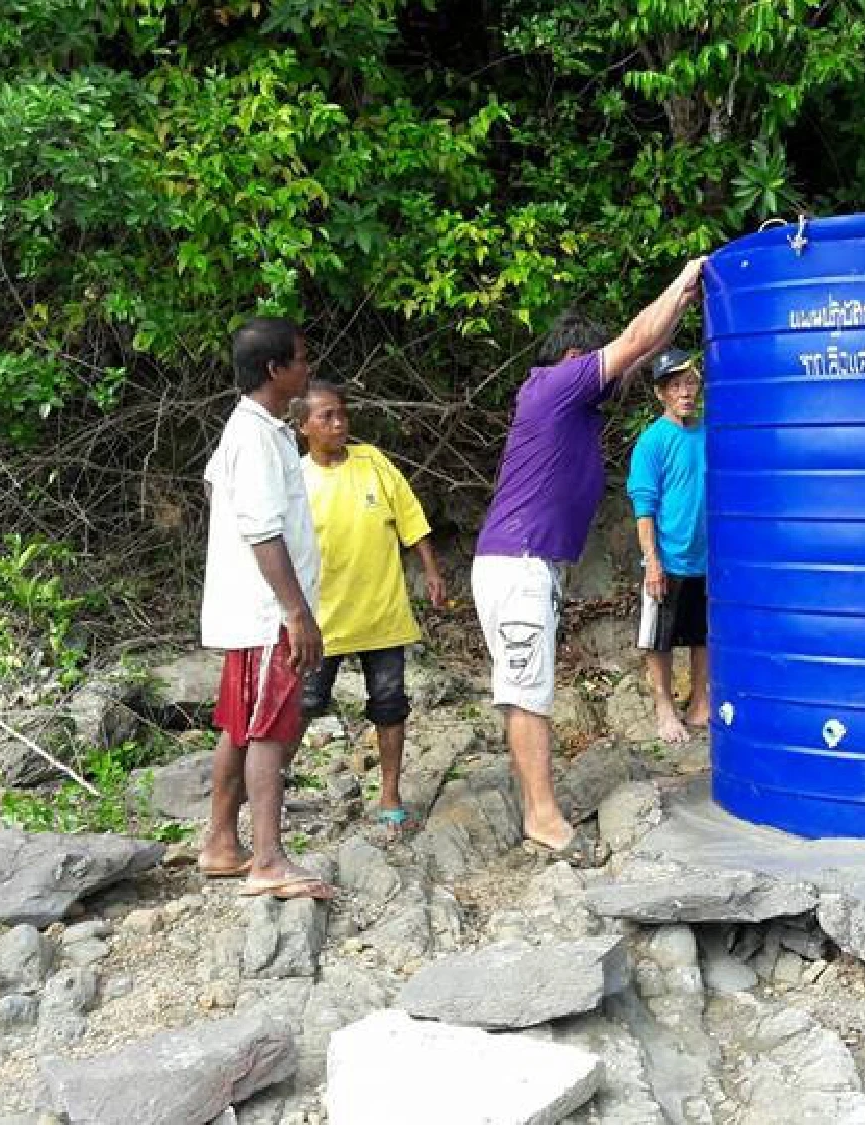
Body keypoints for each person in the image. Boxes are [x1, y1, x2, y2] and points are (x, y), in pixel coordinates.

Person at [472, 257, 705, 864]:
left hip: (526, 564)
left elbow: (642, 344)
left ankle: (536, 806)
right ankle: (543, 817)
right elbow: (636, 341)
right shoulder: (557, 384)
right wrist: (684, 280)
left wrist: (681, 306)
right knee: (528, 692)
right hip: (518, 563)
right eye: (605, 369)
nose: (619, 381)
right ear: (578, 359)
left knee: (523, 687)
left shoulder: (561, 403)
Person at [197, 316, 333, 900]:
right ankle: (268, 860)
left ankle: (222, 843)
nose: (308, 368)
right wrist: (295, 611)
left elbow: (213, 487)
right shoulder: (253, 434)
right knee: (268, 729)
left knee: (239, 724)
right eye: (301, 359)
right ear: (275, 369)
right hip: (264, 613)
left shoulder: (260, 428)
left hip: (250, 607)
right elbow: (262, 531)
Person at [289, 383, 446, 841]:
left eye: (342, 415)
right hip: (324, 621)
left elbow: (411, 518)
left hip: (382, 615)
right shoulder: (295, 479)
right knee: (304, 704)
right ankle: (272, 787)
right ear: (303, 428)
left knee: (390, 705)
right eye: (326, 418)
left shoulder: (373, 462)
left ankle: (391, 795)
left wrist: (431, 572)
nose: (339, 424)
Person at [626, 348, 709, 743]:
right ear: (661, 393)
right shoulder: (652, 441)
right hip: (668, 556)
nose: (686, 392)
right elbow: (644, 506)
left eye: (691, 383)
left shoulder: (710, 432)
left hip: (708, 557)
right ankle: (664, 709)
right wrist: (652, 562)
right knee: (658, 639)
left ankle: (700, 703)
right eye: (676, 385)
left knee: (703, 634)